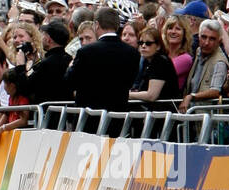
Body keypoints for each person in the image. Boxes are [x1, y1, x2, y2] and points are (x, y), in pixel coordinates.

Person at [64, 7, 140, 135]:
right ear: (117, 26)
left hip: (88, 119)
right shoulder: (132, 52)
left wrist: (71, 67)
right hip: (118, 118)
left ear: (96, 25)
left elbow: (69, 81)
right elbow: (130, 81)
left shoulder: (86, 51)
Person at [181, 20, 229, 113]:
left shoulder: (220, 62)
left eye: (212, 39)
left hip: (207, 118)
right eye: (204, 37)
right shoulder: (199, 51)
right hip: (192, 115)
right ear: (198, 37)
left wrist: (191, 96)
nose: (206, 42)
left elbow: (215, 91)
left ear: (219, 41)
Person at [128, 27, 181, 108]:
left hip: (164, 114)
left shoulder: (160, 61)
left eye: (148, 43)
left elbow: (152, 95)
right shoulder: (148, 61)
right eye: (141, 43)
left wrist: (126, 95)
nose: (143, 46)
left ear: (158, 46)